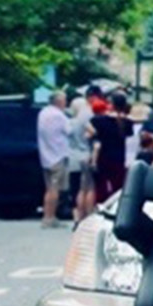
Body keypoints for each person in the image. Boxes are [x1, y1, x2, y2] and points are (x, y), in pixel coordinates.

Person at [36, 88, 72, 227]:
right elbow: (70, 130)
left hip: (45, 155)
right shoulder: (59, 115)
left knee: (49, 187)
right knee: (54, 189)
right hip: (58, 155)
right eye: (64, 100)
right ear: (59, 101)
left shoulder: (43, 113)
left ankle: (49, 215)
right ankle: (49, 217)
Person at [90, 90, 129, 203]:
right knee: (118, 188)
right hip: (120, 158)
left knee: (101, 188)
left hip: (103, 157)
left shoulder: (98, 121)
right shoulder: (127, 122)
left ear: (111, 104)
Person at [65, 88, 95, 220]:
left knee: (75, 187)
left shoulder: (69, 122)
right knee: (87, 187)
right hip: (85, 153)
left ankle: (76, 215)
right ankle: (87, 215)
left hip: (72, 156)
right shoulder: (85, 121)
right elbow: (93, 133)